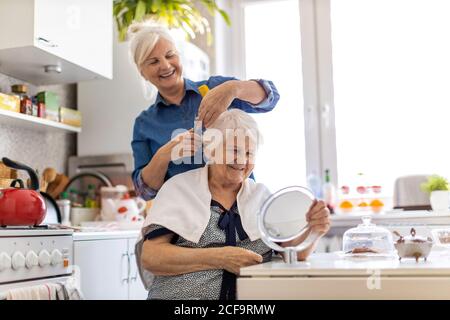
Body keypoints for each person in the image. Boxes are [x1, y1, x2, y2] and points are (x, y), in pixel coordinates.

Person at [138, 109, 331, 300]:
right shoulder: (179, 188)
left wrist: (314, 230)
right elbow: (151, 257)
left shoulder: (262, 196)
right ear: (211, 150)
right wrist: (221, 257)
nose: (242, 160)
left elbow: (295, 253)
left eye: (249, 153)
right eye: (234, 150)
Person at [129, 23, 280, 200]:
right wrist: (164, 155)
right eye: (154, 61)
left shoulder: (216, 89)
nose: (165, 65)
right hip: (186, 220)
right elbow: (145, 192)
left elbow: (271, 98)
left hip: (240, 212)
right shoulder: (144, 124)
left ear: (179, 56)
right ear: (142, 73)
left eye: (170, 55)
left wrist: (234, 89)